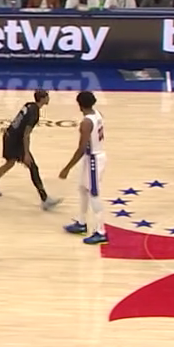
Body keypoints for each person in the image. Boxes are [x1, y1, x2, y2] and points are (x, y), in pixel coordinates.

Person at [0, 89, 62, 210]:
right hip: (15, 140)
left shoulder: (29, 105)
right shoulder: (34, 113)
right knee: (33, 167)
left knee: (10, 163)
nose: (48, 98)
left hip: (9, 135)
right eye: (47, 96)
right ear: (42, 99)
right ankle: (44, 199)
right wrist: (26, 153)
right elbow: (26, 134)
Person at [59, 91, 108, 245]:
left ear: (79, 105)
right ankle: (81, 223)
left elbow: (81, 149)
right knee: (82, 188)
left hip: (94, 158)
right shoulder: (97, 114)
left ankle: (101, 232)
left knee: (94, 194)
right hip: (92, 156)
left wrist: (67, 168)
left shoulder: (86, 123)